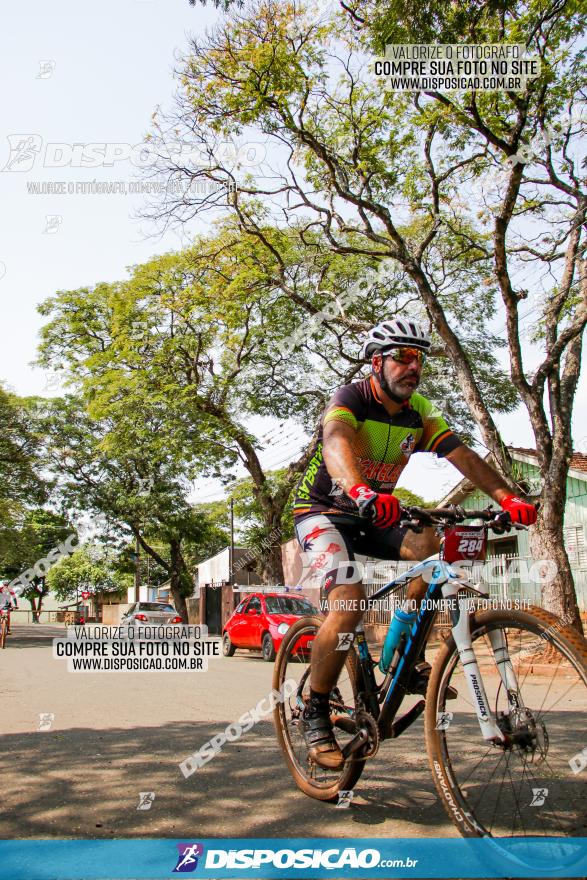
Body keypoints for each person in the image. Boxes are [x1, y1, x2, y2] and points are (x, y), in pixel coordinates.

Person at [293, 317, 537, 770]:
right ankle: (315, 709)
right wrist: (360, 489)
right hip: (324, 512)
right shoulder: (352, 398)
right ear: (377, 362)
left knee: (431, 545)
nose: (412, 367)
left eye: (418, 359)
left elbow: (462, 454)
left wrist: (508, 497)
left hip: (376, 512)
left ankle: (404, 657)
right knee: (349, 604)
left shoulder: (419, 412)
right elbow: (335, 442)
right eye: (402, 357)